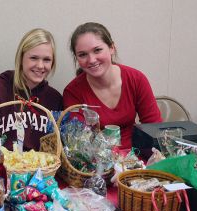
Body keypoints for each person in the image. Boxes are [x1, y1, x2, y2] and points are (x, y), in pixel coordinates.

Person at [63, 22, 162, 150]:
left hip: (137, 160)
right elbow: (80, 144)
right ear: (76, 58)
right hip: (95, 165)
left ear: (111, 48)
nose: (92, 60)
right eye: (83, 54)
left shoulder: (136, 79)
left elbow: (154, 129)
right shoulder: (72, 92)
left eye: (97, 50)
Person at [0, 28, 63, 151]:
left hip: (43, 169)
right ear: (21, 58)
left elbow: (58, 149)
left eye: (47, 59)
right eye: (33, 58)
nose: (40, 65)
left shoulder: (55, 99)